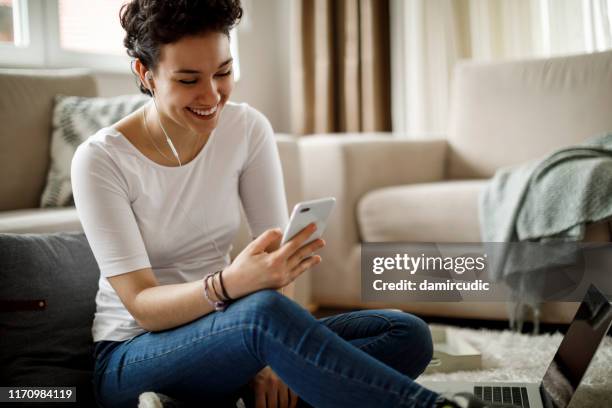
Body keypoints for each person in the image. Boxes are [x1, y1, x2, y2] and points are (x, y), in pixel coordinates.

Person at [71, 1, 514, 407]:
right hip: (134, 354)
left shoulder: (246, 128)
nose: (212, 95)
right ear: (145, 73)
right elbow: (142, 303)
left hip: (236, 337)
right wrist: (227, 287)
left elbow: (277, 259)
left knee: (406, 333)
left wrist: (269, 362)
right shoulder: (101, 159)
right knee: (260, 315)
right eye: (188, 80)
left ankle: (232, 396)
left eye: (223, 72)